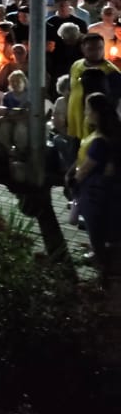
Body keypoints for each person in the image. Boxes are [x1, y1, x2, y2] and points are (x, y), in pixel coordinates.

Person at [69, 93, 121, 280]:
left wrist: (72, 181)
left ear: (97, 113)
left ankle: (104, 270)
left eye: (87, 109)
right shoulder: (111, 132)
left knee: (96, 229)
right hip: (106, 191)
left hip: (94, 192)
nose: (85, 112)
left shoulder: (100, 140)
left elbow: (85, 169)